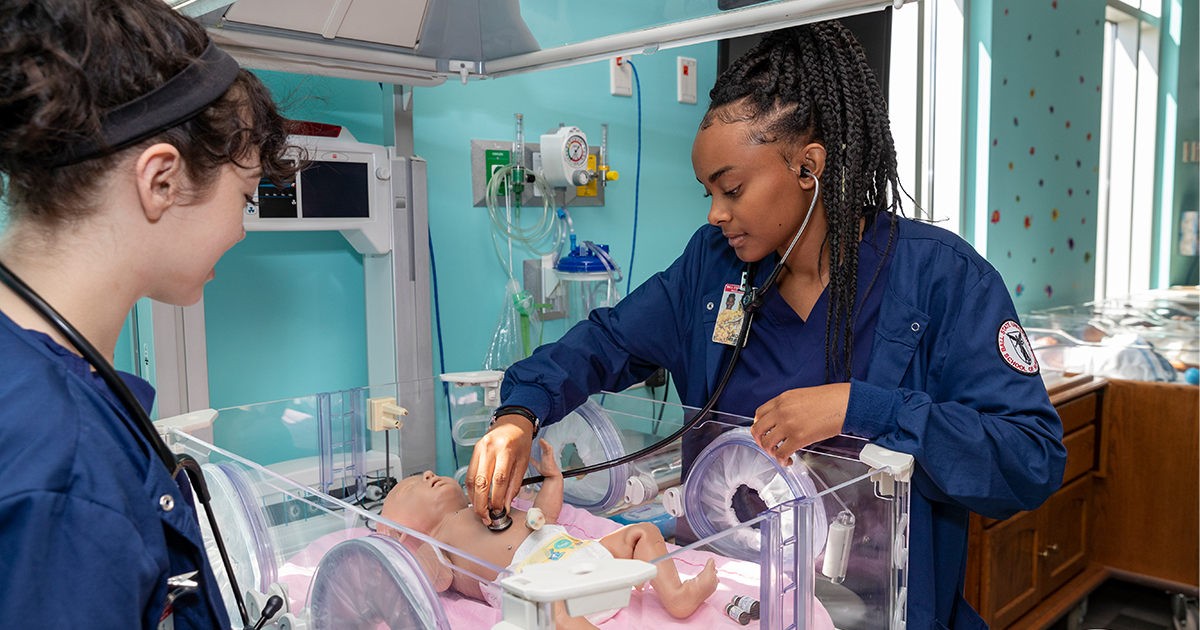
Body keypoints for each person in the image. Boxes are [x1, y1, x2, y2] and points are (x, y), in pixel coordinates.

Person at [467, 20, 1066, 630]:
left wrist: (862, 408)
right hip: (732, 606)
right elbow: (607, 341)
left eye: (731, 189)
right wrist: (520, 413)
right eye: (707, 191)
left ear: (808, 167)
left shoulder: (942, 279)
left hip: (881, 613)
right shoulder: (713, 269)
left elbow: (1031, 460)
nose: (715, 213)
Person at [0, 1, 299, 628]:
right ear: (161, 180)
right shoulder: (63, 460)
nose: (240, 231)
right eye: (245, 199)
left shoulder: (30, 378)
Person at [379, 439, 718, 630]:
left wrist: (553, 481)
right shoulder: (435, 546)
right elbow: (428, 581)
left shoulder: (486, 505)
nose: (427, 474)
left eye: (423, 474)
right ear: (404, 529)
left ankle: (677, 596)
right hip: (537, 585)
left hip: (581, 556)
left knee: (641, 532)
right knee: (547, 612)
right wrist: (405, 548)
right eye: (411, 486)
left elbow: (545, 517)